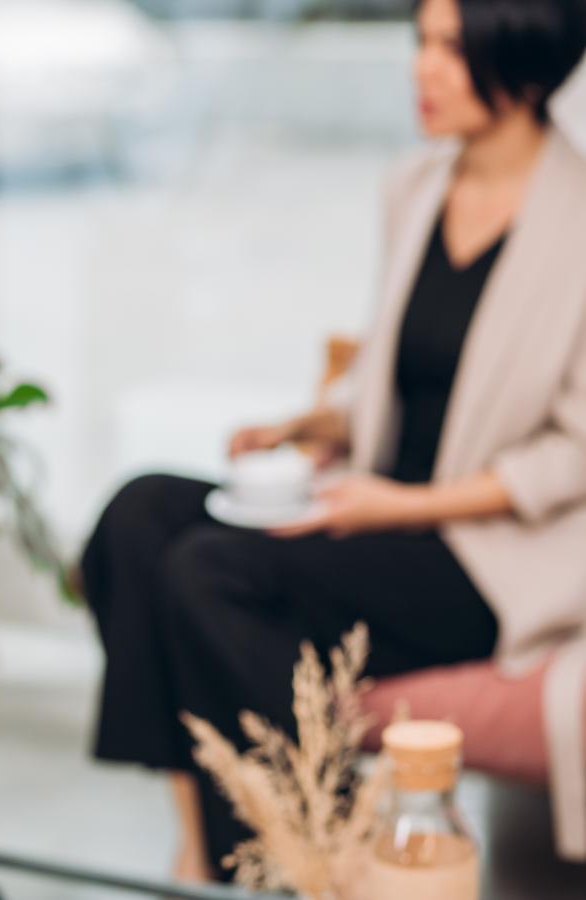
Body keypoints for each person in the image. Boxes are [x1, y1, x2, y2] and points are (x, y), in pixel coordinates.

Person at [80, 0, 586, 883]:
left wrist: (409, 502)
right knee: (138, 513)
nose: (423, 70)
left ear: (527, 61)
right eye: (421, 44)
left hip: (483, 551)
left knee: (206, 570)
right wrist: (318, 421)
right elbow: (402, 367)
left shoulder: (575, 222)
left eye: (452, 51)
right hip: (376, 508)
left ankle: (332, 847)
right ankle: (204, 844)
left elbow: (573, 449)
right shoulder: (416, 185)